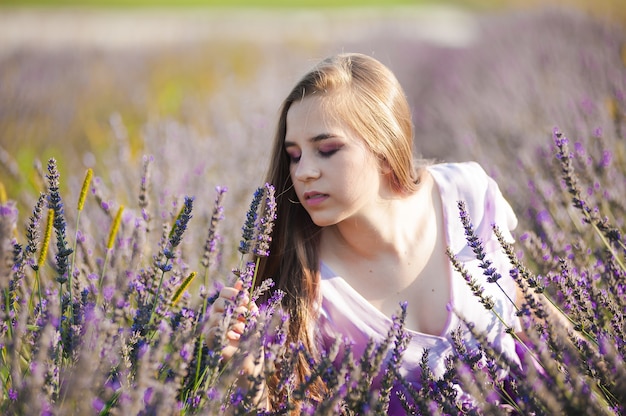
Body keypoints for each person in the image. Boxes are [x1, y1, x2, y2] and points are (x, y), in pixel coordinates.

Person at [208, 52, 521, 412]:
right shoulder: (302, 286)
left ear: (385, 149)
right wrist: (248, 373)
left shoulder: (467, 194)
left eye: (327, 150)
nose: (304, 171)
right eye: (294, 155)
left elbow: (530, 314)